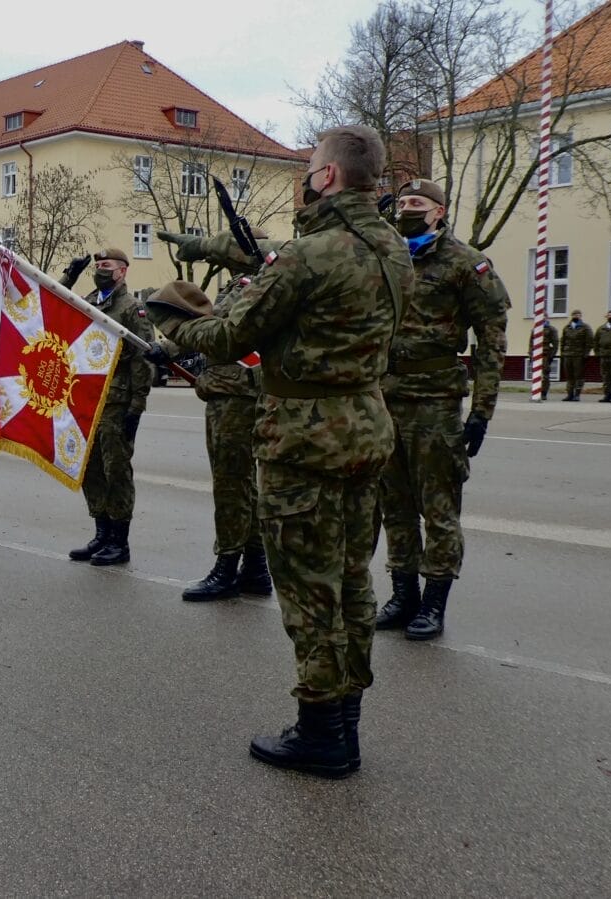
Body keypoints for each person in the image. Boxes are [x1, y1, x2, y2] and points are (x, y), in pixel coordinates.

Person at [147, 125, 412, 778]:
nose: (306, 177)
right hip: (364, 429)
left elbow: (230, 337)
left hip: (305, 440)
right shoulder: (393, 248)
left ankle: (321, 732)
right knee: (351, 581)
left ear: (329, 176)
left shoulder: (310, 255)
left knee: (309, 592)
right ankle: (345, 721)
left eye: (311, 167)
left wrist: (172, 319)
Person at [372, 179, 510, 642]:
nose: (407, 209)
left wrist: (482, 410)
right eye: (403, 202)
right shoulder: (388, 256)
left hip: (435, 402)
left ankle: (434, 603)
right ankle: (403, 594)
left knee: (439, 509)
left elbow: (492, 340)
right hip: (386, 397)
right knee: (394, 505)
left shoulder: (466, 263)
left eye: (417, 203)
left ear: (439, 211)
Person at [155, 229, 276, 602]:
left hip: (238, 395)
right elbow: (212, 327)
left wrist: (172, 344)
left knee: (231, 484)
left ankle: (227, 566)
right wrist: (169, 349)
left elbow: (223, 330)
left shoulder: (258, 284)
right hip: (227, 391)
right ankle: (255, 567)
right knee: (242, 485)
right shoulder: (239, 285)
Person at [57, 247, 156, 567]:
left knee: (116, 470)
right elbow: (56, 304)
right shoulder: (90, 302)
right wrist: (70, 275)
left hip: (117, 401)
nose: (100, 269)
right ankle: (101, 532)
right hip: (86, 399)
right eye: (98, 265)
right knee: (91, 467)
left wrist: (136, 407)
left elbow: (142, 360)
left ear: (122, 271)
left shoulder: (132, 308)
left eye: (107, 265)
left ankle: (119, 540)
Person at [559, 309, 592, 401]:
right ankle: (570, 394)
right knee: (569, 376)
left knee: (578, 375)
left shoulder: (585, 327)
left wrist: (586, 354)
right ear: (572, 316)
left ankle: (577, 394)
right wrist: (562, 353)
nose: (576, 316)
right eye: (574, 315)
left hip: (579, 355)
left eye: (578, 315)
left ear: (580, 316)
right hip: (567, 354)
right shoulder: (567, 327)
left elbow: (589, 342)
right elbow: (563, 341)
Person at [539, 317, 559, 400]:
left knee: (545, 376)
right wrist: (531, 354)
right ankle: (536, 391)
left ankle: (543, 393)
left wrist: (551, 356)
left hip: (546, 355)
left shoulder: (551, 329)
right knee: (536, 375)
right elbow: (531, 342)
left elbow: (555, 343)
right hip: (537, 355)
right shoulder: (536, 328)